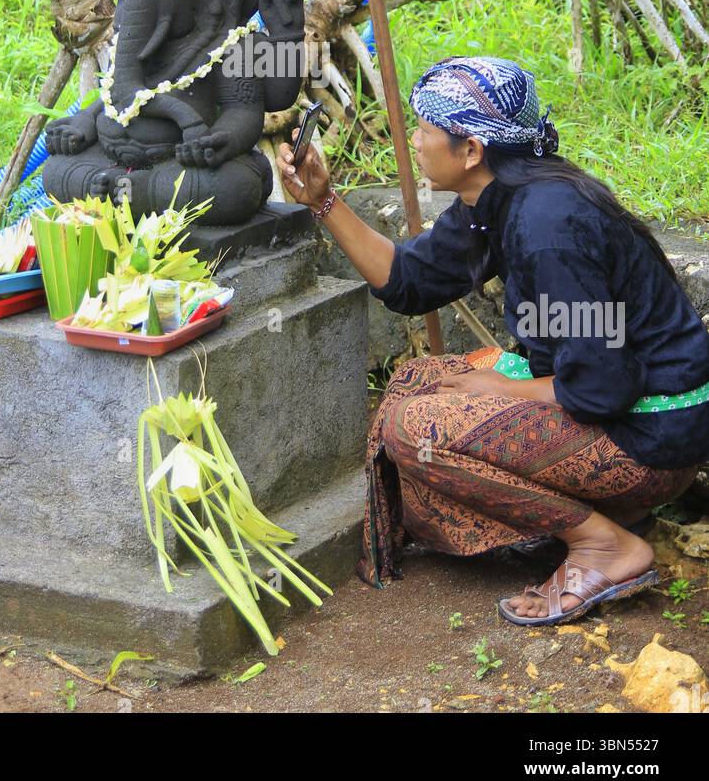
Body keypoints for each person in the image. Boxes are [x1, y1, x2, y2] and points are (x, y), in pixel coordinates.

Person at [276, 56, 709, 627]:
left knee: (418, 429)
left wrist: (504, 389)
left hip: (652, 434)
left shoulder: (549, 230)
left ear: (471, 150)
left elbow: (605, 384)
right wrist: (324, 202)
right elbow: (408, 280)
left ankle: (606, 544)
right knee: (412, 384)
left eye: (425, 130)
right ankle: (582, 520)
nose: (415, 141)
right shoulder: (497, 199)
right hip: (613, 403)